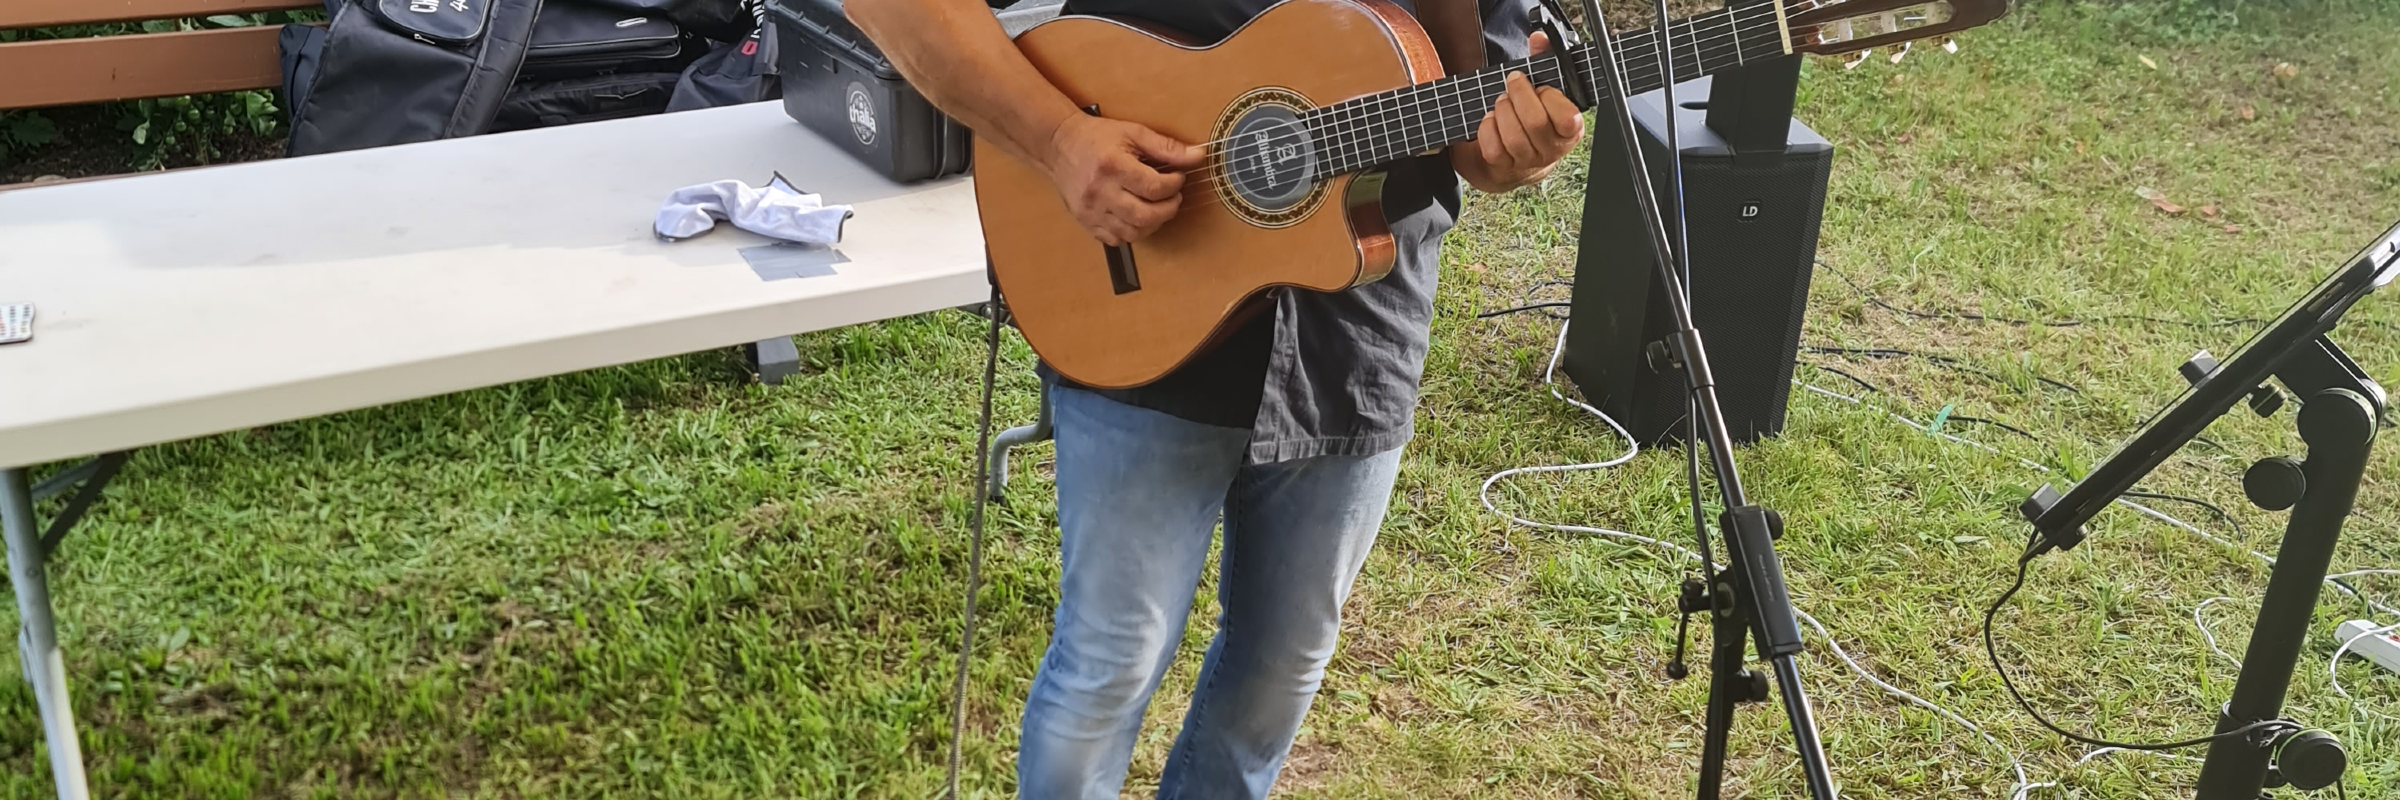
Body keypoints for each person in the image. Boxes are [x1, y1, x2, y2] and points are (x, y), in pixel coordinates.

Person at [847, 0, 1586, 797]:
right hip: (1138, 272)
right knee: (1110, 662)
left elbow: (1482, 131)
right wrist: (1058, 139)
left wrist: (1520, 146)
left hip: (1358, 313)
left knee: (1280, 670)